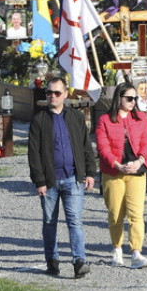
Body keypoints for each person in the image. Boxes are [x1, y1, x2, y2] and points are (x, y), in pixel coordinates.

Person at [28, 75, 96, 278]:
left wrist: (90, 172)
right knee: (49, 222)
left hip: (73, 178)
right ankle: (52, 260)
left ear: (65, 94)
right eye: (49, 92)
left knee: (75, 220)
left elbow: (85, 146)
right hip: (49, 182)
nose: (53, 96)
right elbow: (34, 153)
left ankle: (79, 261)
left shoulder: (75, 117)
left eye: (57, 93)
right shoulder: (39, 120)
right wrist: (39, 181)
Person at [95, 81, 147, 269]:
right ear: (118, 98)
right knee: (115, 214)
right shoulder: (105, 120)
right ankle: (117, 248)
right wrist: (117, 164)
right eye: (129, 98)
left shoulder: (141, 117)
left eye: (135, 98)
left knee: (136, 213)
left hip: (136, 169)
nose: (132, 102)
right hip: (114, 171)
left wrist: (140, 161)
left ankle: (136, 252)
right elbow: (103, 146)